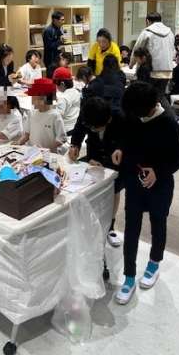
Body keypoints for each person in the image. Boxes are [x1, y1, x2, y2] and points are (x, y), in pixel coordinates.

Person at [111, 82, 179, 305]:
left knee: (158, 223)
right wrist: (120, 148)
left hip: (160, 184)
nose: (135, 117)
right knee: (131, 227)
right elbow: (125, 134)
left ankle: (154, 263)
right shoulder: (134, 114)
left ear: (151, 107)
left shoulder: (168, 123)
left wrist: (158, 172)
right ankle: (129, 277)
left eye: (138, 114)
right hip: (134, 180)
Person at [69, 96, 125, 247]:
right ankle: (90, 223)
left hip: (115, 156)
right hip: (94, 153)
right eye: (91, 127)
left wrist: (120, 149)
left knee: (114, 189)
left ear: (108, 120)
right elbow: (79, 130)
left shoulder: (120, 116)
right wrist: (75, 145)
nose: (93, 130)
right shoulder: (87, 113)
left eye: (96, 128)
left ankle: (110, 227)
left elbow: (128, 138)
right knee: (89, 185)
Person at [130, 13, 175, 115]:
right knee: (159, 97)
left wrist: (131, 64)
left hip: (151, 71)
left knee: (147, 97)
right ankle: (172, 117)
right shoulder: (170, 33)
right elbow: (172, 50)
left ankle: (169, 117)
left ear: (147, 21)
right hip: (168, 70)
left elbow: (137, 48)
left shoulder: (147, 32)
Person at [17, 78, 67, 153]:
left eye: (33, 97)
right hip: (32, 153)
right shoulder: (31, 113)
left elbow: (62, 139)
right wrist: (18, 143)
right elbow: (27, 134)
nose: (32, 101)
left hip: (48, 154)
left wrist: (47, 149)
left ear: (44, 99)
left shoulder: (55, 116)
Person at [53, 67, 81, 134]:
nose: (55, 86)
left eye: (56, 83)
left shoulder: (63, 98)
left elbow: (57, 117)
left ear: (62, 84)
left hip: (65, 130)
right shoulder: (76, 92)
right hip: (75, 127)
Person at [43, 11, 65, 79]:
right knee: (51, 79)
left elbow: (59, 40)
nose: (63, 22)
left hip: (57, 58)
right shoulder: (48, 30)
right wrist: (59, 41)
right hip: (50, 60)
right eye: (62, 20)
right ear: (55, 20)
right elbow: (48, 46)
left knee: (58, 77)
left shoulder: (58, 28)